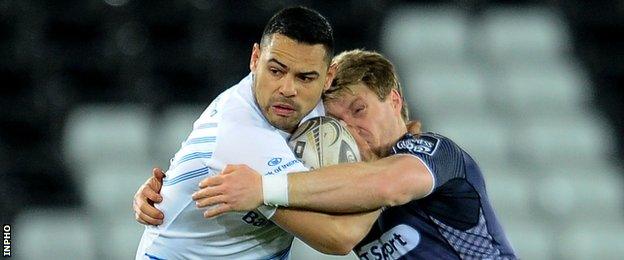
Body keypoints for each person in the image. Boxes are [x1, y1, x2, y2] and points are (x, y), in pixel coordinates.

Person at [140, 49, 518, 259]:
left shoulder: (434, 151)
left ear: (395, 101)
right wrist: (169, 192)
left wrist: (263, 190)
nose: (349, 131)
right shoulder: (338, 172)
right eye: (336, 121)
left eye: (359, 110)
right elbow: (248, 160)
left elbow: (387, 186)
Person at [134, 6, 383, 259]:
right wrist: (383, 176)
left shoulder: (318, 106)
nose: (287, 89)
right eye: (276, 71)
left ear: (327, 77)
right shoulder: (242, 137)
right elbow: (339, 238)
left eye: (305, 78)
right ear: (255, 59)